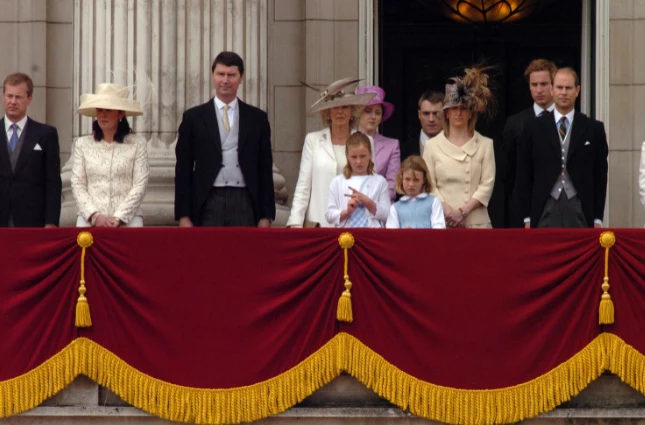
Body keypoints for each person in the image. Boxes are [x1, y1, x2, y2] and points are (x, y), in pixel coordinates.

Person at [175, 51, 275, 227]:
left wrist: (266, 215)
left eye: (231, 75)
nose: (225, 80)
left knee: (243, 253)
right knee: (208, 253)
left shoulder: (257, 118)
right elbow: (183, 169)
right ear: (213, 76)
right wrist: (183, 215)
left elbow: (264, 169)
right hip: (207, 199)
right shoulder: (194, 117)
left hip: (245, 199)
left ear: (241, 77)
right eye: (220, 74)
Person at [517, 67, 608, 228]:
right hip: (544, 206)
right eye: (559, 87)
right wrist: (526, 217)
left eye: (568, 88)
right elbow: (524, 173)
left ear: (577, 90)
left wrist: (597, 218)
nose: (564, 92)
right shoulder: (533, 128)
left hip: (580, 207)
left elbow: (600, 176)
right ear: (552, 90)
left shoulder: (594, 128)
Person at [286, 78, 376, 228]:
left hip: (355, 223)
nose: (339, 112)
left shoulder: (366, 140)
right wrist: (295, 223)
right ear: (327, 112)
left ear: (352, 111)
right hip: (319, 224)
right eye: (334, 108)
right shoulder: (313, 140)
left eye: (345, 107)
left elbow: (372, 185)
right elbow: (303, 185)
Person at [423, 67, 496, 229]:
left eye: (463, 108)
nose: (458, 113)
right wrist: (449, 212)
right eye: (453, 109)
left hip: (476, 222)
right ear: (446, 113)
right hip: (442, 222)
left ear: (471, 113)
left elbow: (487, 185)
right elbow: (429, 185)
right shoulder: (431, 146)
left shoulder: (485, 144)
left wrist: (462, 211)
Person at [71, 83, 149, 227]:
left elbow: (140, 184)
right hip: (89, 218)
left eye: (108, 110)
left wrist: (119, 217)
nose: (103, 115)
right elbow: (77, 183)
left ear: (121, 114)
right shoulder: (82, 144)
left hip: (129, 218)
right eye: (99, 110)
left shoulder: (138, 144)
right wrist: (95, 215)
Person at [0, 72, 61, 227]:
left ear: (29, 99)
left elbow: (53, 182)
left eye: (18, 97)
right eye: (9, 96)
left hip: (33, 221)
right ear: (3, 97)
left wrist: (51, 222)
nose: (13, 101)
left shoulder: (46, 134)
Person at [502, 59, 556, 227]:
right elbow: (508, 172)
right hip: (524, 211)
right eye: (534, 84)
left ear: (554, 85)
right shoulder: (515, 123)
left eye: (544, 84)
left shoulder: (568, 121)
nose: (539, 90)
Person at [326, 132, 390, 228]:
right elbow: (329, 216)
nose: (358, 161)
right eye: (354, 157)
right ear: (347, 156)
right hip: (345, 238)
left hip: (372, 235)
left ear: (370, 154)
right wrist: (347, 212)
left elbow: (388, 215)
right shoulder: (337, 182)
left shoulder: (380, 181)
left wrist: (367, 202)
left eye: (363, 156)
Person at [356, 85, 400, 201]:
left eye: (377, 112)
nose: (373, 117)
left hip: (378, 210)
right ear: (358, 113)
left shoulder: (392, 145)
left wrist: (368, 200)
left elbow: (392, 187)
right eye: (368, 111)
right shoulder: (345, 141)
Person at [386, 155, 445, 229]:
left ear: (423, 180)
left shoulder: (433, 202)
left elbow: (439, 228)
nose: (411, 184)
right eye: (407, 179)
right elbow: (391, 235)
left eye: (416, 180)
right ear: (401, 179)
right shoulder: (395, 208)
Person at [417, 91, 445, 156]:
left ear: (445, 115)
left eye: (436, 113)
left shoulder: (454, 145)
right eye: (426, 113)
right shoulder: (404, 148)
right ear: (419, 115)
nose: (431, 119)